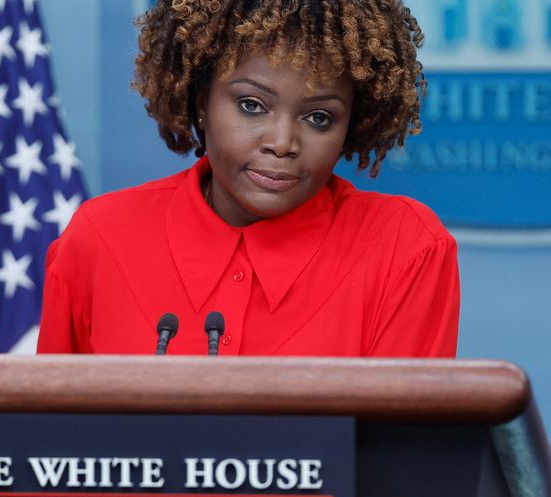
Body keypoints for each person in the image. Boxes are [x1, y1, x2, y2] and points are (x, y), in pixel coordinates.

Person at [37, 0, 459, 357]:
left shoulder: (405, 249)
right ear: (202, 100)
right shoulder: (101, 238)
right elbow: (49, 442)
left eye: (319, 117)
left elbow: (404, 451)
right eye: (252, 105)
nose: (282, 143)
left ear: (353, 123)